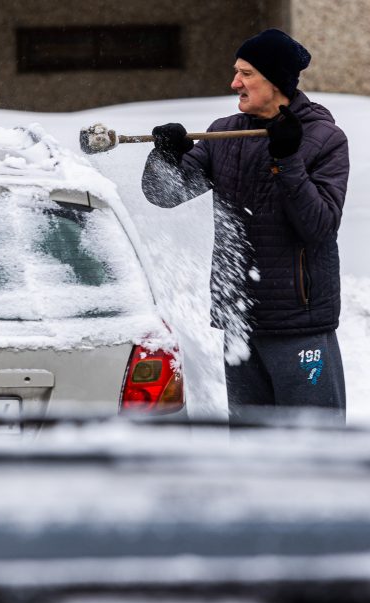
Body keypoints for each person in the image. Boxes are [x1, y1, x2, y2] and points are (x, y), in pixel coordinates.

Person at [141, 28, 349, 422]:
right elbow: (165, 194)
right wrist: (164, 157)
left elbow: (319, 225)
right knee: (251, 448)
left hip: (298, 324)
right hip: (239, 321)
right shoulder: (225, 133)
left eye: (246, 73)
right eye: (236, 72)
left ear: (276, 81)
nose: (235, 82)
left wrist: (287, 159)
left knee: (316, 450)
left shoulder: (324, 138)